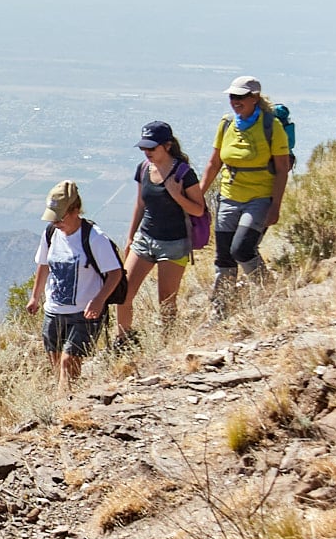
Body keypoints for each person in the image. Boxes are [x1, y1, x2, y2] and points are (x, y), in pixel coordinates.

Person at [199, 76, 292, 305]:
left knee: (242, 249)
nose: (235, 101)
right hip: (229, 197)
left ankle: (268, 293)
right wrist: (198, 196)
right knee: (223, 257)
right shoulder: (227, 124)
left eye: (241, 97)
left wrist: (275, 207)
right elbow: (214, 163)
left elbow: (282, 169)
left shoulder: (272, 126)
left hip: (260, 198)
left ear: (255, 98)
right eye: (232, 96)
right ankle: (222, 308)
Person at [25, 180, 125, 390]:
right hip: (54, 311)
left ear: (75, 210)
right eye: (54, 218)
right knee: (56, 362)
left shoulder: (95, 238)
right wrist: (35, 297)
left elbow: (115, 273)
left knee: (68, 363)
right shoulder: (50, 234)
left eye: (60, 218)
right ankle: (66, 401)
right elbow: (43, 265)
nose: (56, 223)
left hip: (84, 313)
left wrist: (99, 301)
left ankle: (64, 410)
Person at [115, 121, 206, 342]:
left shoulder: (184, 173)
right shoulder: (144, 169)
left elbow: (199, 209)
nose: (147, 153)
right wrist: (130, 237)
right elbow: (140, 204)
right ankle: (123, 341)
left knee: (166, 300)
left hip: (174, 244)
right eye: (144, 148)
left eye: (152, 148)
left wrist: (176, 195)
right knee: (122, 293)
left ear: (166, 145)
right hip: (145, 239)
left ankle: (168, 343)